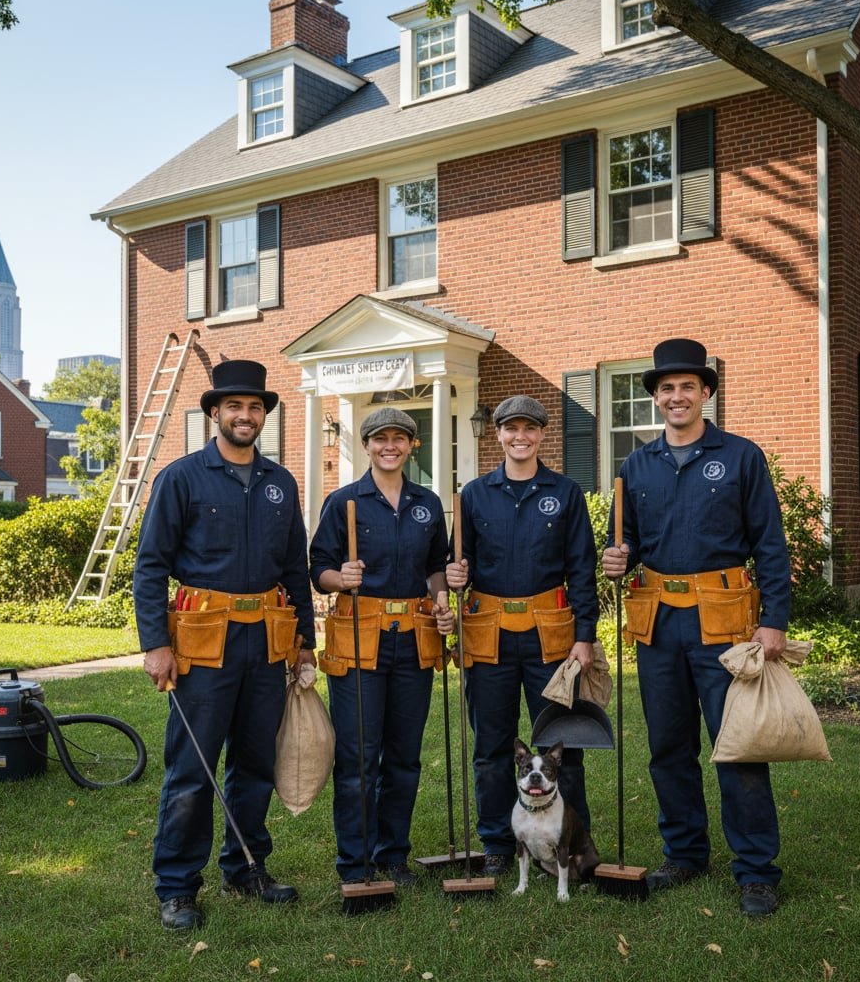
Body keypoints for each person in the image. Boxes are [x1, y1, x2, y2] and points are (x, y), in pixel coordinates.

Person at [601, 338, 791, 917]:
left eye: (687, 386)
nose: (676, 396)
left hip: (725, 624)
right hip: (658, 623)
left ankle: (756, 871)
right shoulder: (636, 465)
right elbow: (628, 542)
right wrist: (618, 556)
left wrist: (774, 621)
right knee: (668, 746)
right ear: (656, 399)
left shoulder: (740, 456)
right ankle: (684, 853)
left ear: (705, 392)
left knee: (736, 745)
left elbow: (771, 545)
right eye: (666, 389)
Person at [136, 359, 316, 931]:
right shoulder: (182, 477)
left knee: (254, 762)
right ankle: (177, 885)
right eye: (235, 406)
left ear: (264, 416)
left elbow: (295, 567)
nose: (246, 415)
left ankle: (246, 865)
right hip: (201, 644)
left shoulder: (281, 483)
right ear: (214, 413)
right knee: (192, 768)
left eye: (256, 407)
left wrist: (306, 642)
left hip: (265, 643)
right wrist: (155, 644)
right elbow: (150, 567)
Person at [445, 395, 598, 875]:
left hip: (550, 636)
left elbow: (582, 568)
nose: (520, 437)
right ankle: (496, 843)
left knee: (560, 743)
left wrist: (585, 634)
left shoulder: (566, 493)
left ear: (542, 435)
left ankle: (571, 845)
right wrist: (451, 576)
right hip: (488, 634)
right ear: (498, 434)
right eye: (511, 429)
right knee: (491, 746)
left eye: (529, 429)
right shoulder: (472, 495)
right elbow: (455, 567)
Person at [310, 407, 454, 887]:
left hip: (415, 639)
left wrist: (441, 599)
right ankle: (357, 862)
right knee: (357, 757)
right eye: (379, 439)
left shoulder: (427, 504)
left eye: (400, 438)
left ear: (412, 445)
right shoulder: (344, 502)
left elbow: (437, 564)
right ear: (366, 445)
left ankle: (393, 855)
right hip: (359, 641)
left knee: (404, 756)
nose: (389, 446)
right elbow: (319, 567)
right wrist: (339, 578)